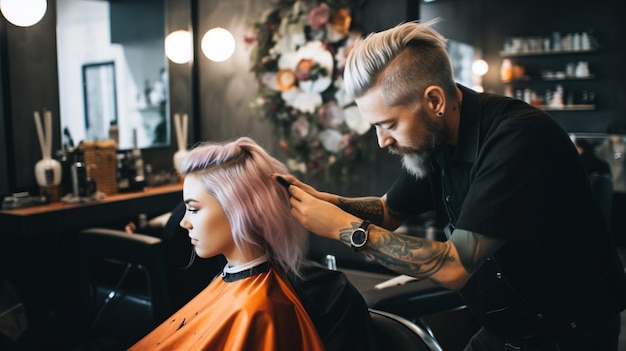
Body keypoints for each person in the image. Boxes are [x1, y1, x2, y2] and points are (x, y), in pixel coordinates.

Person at [277, 20, 626, 350]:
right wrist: (321, 201)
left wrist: (345, 228)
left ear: (434, 101)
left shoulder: (518, 140)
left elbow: (453, 265)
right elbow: (387, 211)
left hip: (568, 333)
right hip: (504, 327)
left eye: (389, 124)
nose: (382, 141)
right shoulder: (435, 139)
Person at [129, 137, 325, 351]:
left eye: (193, 209)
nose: (184, 222)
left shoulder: (257, 310)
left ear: (239, 210)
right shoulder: (238, 286)